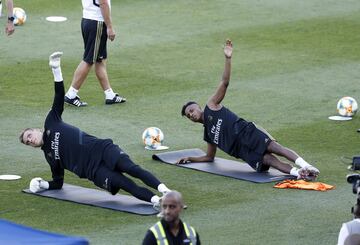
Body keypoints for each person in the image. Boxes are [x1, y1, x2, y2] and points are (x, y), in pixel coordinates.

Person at [20, 52, 170, 208]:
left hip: (102, 148)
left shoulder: (51, 122)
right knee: (125, 184)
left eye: (29, 135)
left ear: (37, 130)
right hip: (94, 171)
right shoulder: (49, 157)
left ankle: (165, 190)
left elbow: (59, 96)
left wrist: (56, 69)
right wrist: (42, 184)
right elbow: (58, 183)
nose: (30, 140)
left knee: (131, 168)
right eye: (27, 142)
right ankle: (157, 201)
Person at [179, 40, 320, 181]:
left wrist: (228, 59)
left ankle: (306, 165)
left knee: (276, 148)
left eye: (191, 110)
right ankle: (300, 174)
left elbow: (225, 83)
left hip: (247, 133)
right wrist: (191, 158)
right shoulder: (207, 134)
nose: (191, 114)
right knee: (270, 161)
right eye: (188, 114)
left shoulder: (211, 106)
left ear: (199, 107)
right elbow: (209, 157)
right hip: (242, 152)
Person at [64, 0, 125, 107]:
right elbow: (103, 3)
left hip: (88, 20)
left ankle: (109, 95)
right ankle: (71, 95)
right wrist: (110, 27)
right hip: (97, 23)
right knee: (89, 60)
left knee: (99, 60)